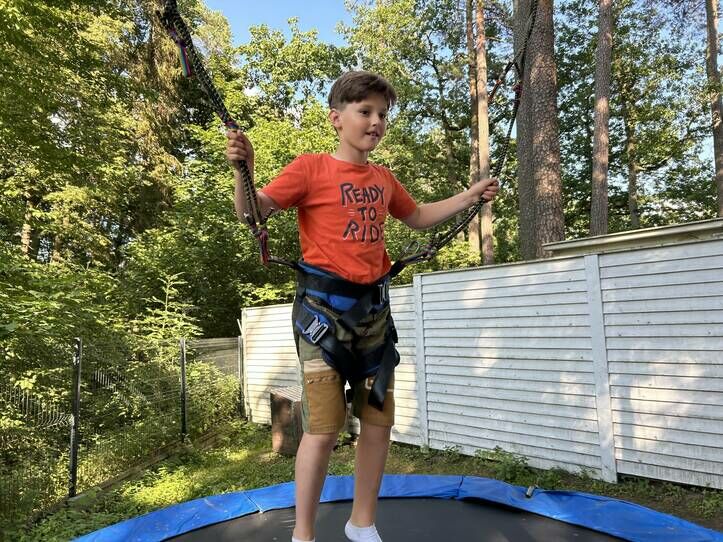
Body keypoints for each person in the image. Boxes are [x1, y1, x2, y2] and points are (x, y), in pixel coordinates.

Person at [226, 71, 499, 542]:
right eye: (365, 112)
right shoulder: (311, 169)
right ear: (337, 118)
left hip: (374, 322)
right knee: (323, 430)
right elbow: (254, 210)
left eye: (382, 114)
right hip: (324, 323)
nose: (376, 122)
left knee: (377, 424)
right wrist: (243, 171)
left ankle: (362, 523)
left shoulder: (383, 178)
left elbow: (418, 216)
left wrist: (469, 196)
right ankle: (303, 534)